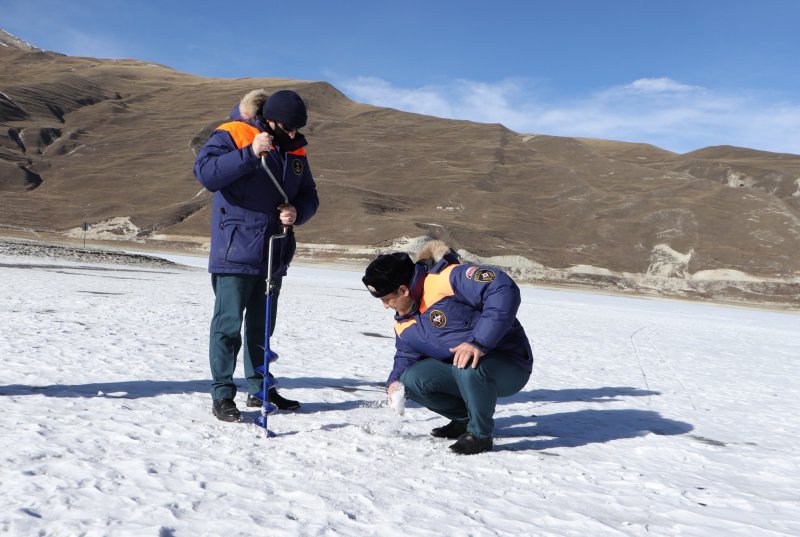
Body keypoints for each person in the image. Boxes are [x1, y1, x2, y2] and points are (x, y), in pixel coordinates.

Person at [194, 89, 319, 422]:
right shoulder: (233, 132)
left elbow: (309, 195)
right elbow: (206, 173)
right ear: (271, 119)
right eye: (288, 127)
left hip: (274, 252)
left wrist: (297, 212)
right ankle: (222, 394)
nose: (293, 133)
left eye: (297, 128)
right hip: (235, 251)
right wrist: (250, 153)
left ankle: (260, 388)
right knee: (228, 327)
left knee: (262, 329)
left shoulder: (296, 150)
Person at [362, 240, 533, 454]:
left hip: (509, 365)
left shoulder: (446, 280)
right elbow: (406, 354)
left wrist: (479, 342)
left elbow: (501, 287)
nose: (386, 306)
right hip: (463, 371)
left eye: (387, 299)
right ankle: (464, 421)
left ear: (403, 290)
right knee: (411, 380)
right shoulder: (404, 322)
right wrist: (394, 384)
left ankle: (480, 435)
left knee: (468, 364)